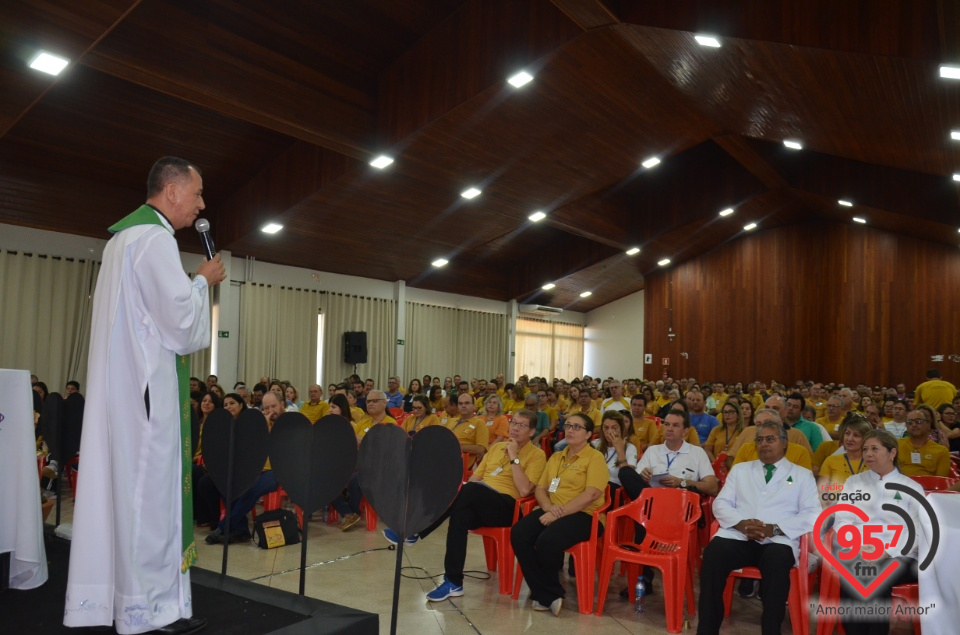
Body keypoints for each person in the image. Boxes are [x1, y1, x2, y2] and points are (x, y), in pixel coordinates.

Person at [65, 157, 224, 635]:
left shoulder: (120, 240)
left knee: (125, 501)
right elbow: (179, 326)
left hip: (125, 394)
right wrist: (202, 281)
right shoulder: (153, 240)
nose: (200, 204)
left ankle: (124, 600)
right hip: (147, 399)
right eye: (196, 194)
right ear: (171, 192)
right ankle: (152, 610)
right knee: (150, 506)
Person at [385, 410, 546, 600]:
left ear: (532, 431)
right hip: (480, 499)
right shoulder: (496, 448)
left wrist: (513, 456)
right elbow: (477, 476)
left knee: (469, 490)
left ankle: (414, 529)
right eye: (514, 423)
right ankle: (454, 582)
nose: (515, 428)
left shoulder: (537, 454)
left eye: (522, 425)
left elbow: (525, 490)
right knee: (459, 515)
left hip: (508, 507)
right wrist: (464, 488)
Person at [697, 416, 820, 635]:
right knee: (713, 556)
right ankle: (706, 630)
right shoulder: (741, 470)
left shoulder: (801, 475)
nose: (764, 444)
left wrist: (773, 529)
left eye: (770, 439)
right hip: (739, 536)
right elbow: (721, 503)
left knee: (777, 564)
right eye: (760, 440)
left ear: (784, 443)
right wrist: (740, 523)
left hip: (777, 539)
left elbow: (812, 513)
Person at [510, 412, 607, 616]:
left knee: (548, 540)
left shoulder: (595, 457)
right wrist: (547, 508)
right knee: (519, 532)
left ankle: (547, 592)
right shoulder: (556, 456)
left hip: (585, 515)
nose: (570, 430)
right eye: (569, 426)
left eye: (577, 427)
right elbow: (541, 489)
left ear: (589, 434)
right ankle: (548, 592)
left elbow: (591, 494)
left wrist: (557, 514)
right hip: (552, 509)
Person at [836, 429, 929, 635]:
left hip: (900, 555)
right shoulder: (854, 482)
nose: (868, 454)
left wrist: (885, 551)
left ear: (892, 453)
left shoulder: (911, 487)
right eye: (866, 449)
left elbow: (917, 531)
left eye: (875, 449)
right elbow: (842, 521)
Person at [205, 392, 281, 544]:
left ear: (282, 405)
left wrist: (265, 428)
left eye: (274, 406)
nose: (270, 411)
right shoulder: (260, 423)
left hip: (279, 471)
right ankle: (241, 530)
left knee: (251, 490)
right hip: (256, 469)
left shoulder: (288, 423)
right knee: (229, 485)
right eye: (266, 408)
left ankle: (223, 527)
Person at [817, 415, 872, 493]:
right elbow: (822, 493)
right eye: (847, 433)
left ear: (866, 438)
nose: (850, 439)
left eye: (856, 435)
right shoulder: (830, 461)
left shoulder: (874, 462)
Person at [897, 409, 951, 477]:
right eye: (910, 422)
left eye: (918, 421)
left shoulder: (942, 451)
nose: (914, 425)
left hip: (929, 486)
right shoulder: (896, 445)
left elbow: (941, 481)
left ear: (928, 425)